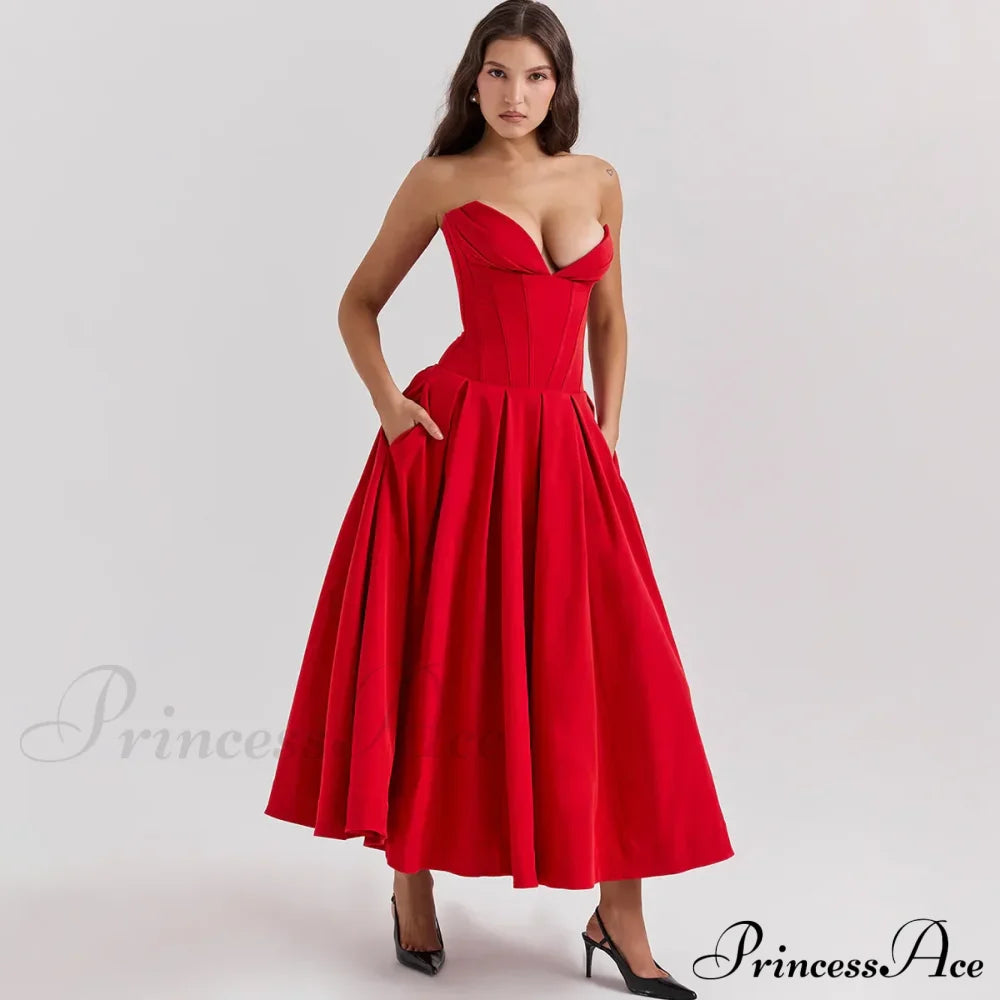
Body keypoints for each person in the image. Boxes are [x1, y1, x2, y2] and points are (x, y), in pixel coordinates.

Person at [265, 2, 733, 995]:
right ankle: (412, 883)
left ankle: (619, 915)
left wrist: (606, 432)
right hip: (458, 443)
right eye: (498, 74)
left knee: (614, 676)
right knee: (438, 659)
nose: (516, 95)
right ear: (471, 81)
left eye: (535, 76)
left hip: (564, 446)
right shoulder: (441, 180)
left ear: (560, 86)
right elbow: (357, 304)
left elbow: (609, 318)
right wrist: (391, 406)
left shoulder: (597, 178)